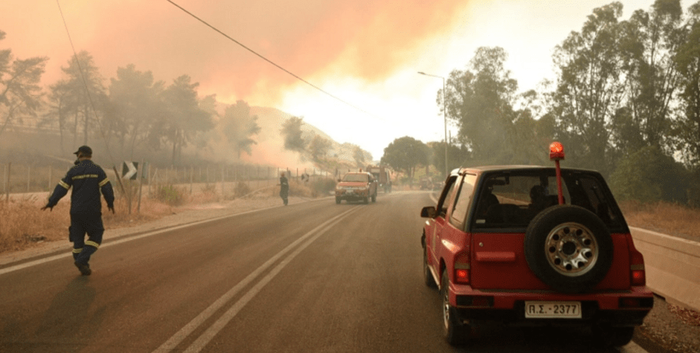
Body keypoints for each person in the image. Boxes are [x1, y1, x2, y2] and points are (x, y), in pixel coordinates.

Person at [41, 145, 115, 276]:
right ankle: (82, 260)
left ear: (80, 155)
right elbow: (106, 188)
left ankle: (83, 265)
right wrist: (110, 202)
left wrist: (52, 202)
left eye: (77, 155)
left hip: (76, 212)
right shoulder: (97, 170)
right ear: (90, 155)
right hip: (92, 211)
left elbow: (62, 188)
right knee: (97, 234)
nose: (76, 157)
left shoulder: (73, 171)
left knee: (77, 241)